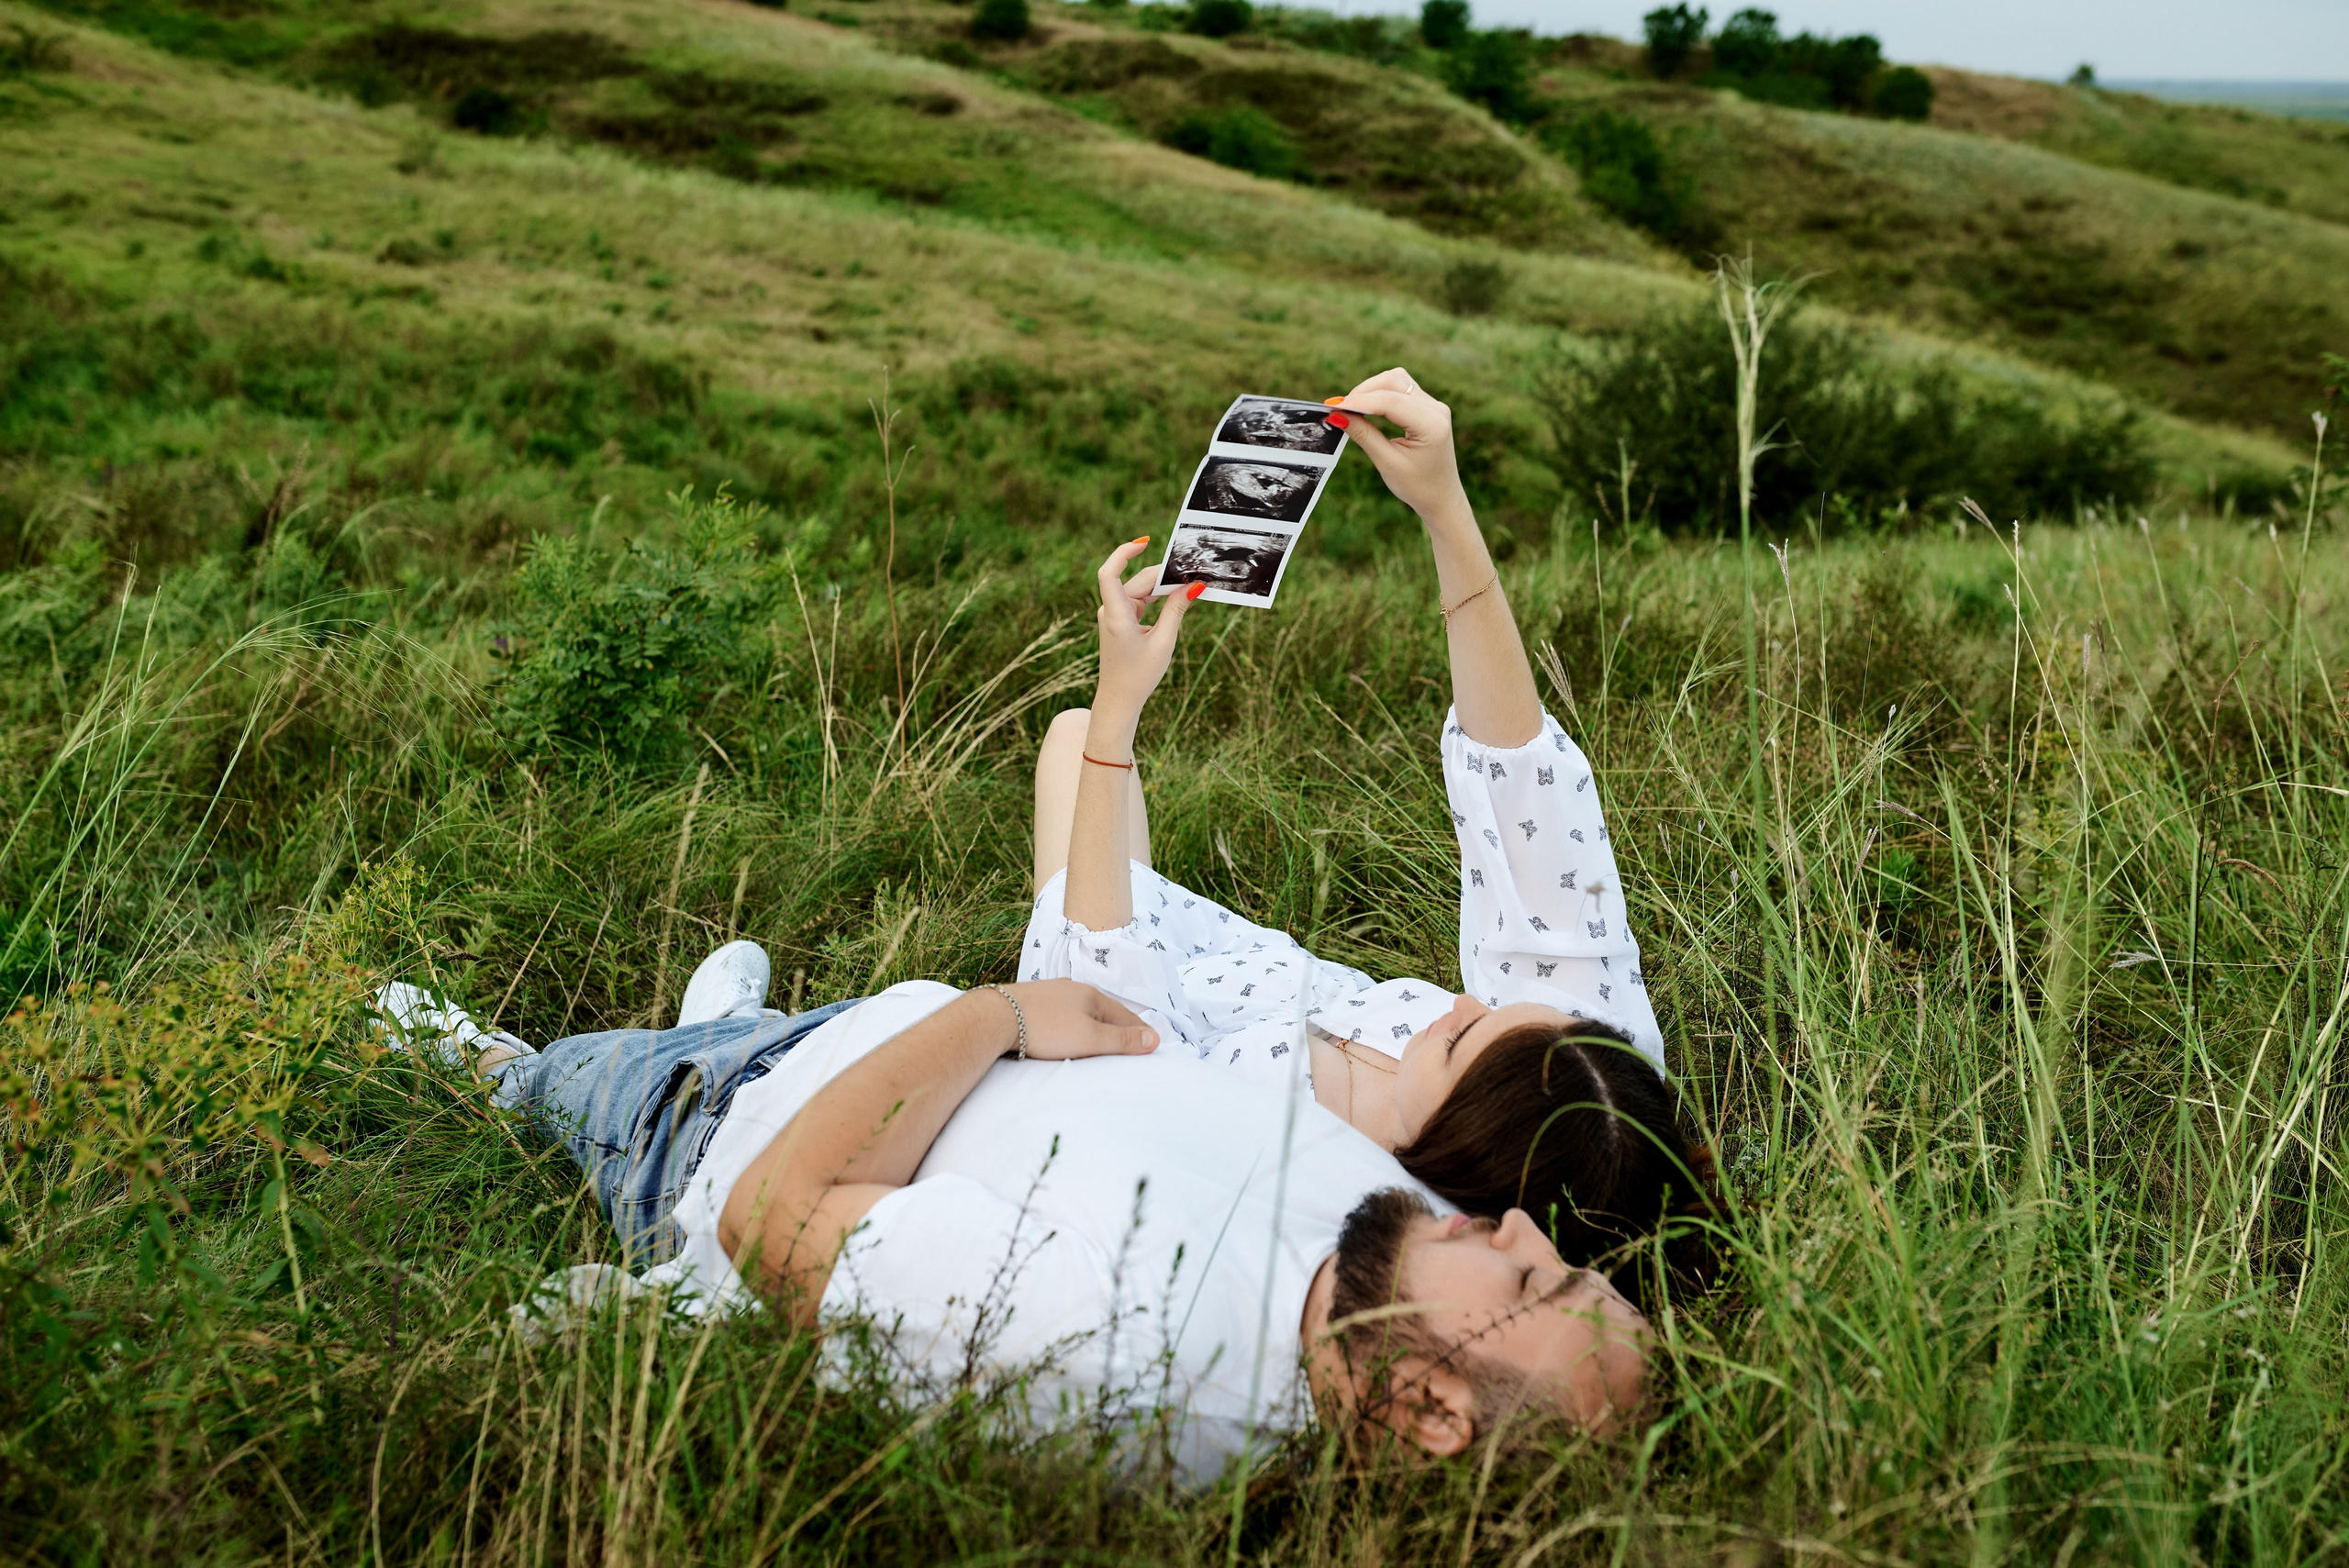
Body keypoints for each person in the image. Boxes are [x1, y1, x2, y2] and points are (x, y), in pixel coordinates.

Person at [370, 945, 1651, 1483]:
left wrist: (998, 1016)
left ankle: (488, 1065)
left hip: (716, 1121)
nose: (1524, 1232)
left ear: (1428, 1409)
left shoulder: (1110, 1356)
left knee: (553, 1082)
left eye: (1534, 1285)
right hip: (876, 1037)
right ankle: (726, 1012)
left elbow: (774, 1217)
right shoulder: (1392, 1253)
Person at [1023, 368, 1714, 1298]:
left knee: (1077, 743)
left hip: (1106, 989)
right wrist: (1443, 506)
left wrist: (1120, 710)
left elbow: (1103, 1018)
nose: (1461, 1001)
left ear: (1457, 1165)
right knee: (1068, 738)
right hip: (1211, 953)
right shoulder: (1597, 1081)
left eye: (1459, 1040)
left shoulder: (1329, 1191)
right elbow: (1523, 785)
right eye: (1498, 1006)